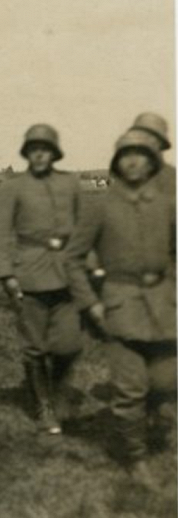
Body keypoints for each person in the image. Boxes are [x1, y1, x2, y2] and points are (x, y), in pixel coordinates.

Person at [63, 128, 175, 486]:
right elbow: (73, 260)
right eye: (126, 155)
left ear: (153, 163)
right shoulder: (100, 207)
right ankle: (136, 459)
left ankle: (153, 422)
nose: (133, 161)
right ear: (116, 163)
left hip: (164, 305)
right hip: (120, 305)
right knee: (130, 389)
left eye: (141, 155)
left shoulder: (167, 205)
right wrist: (91, 304)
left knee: (166, 380)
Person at [0, 124, 83, 435]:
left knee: (69, 345)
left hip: (68, 274)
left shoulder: (71, 183)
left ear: (54, 153)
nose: (39, 154)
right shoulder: (13, 187)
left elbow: (82, 230)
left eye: (45, 149)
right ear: (27, 152)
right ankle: (44, 406)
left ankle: (54, 390)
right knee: (35, 347)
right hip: (29, 274)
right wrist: (6, 274)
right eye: (33, 149)